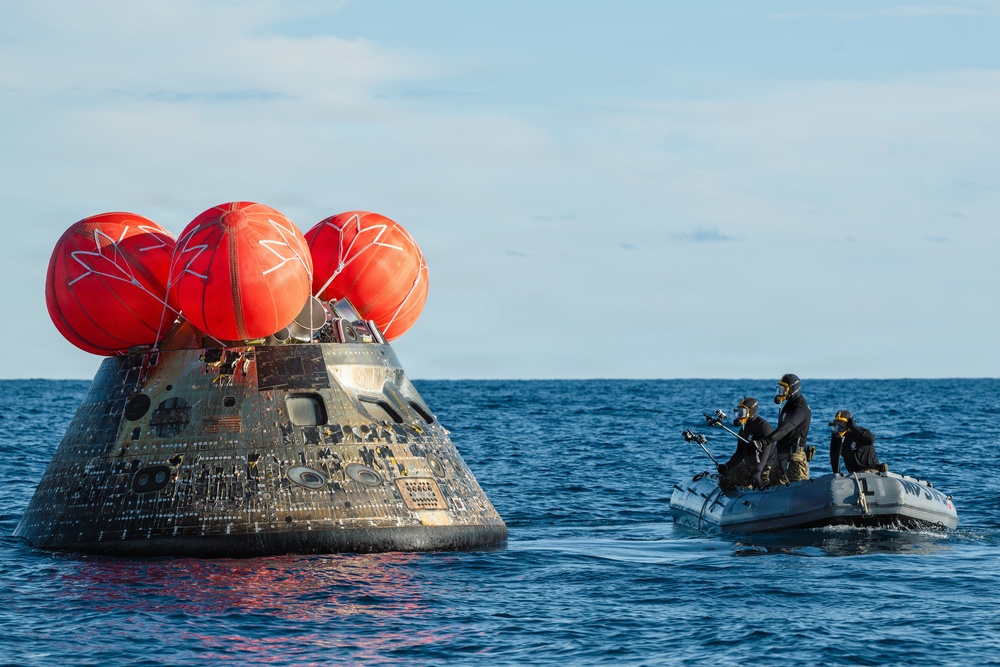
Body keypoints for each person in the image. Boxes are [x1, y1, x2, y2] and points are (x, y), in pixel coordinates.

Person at [753, 373, 812, 484]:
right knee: (775, 483)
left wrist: (763, 442)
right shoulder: (788, 404)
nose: (781, 391)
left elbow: (784, 430)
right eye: (780, 388)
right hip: (781, 453)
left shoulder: (800, 408)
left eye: (784, 389)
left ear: (792, 389)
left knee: (797, 485)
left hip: (795, 456)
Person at [717, 397, 774, 491]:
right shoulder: (743, 429)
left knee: (758, 484)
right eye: (738, 412)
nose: (739, 415)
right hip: (747, 466)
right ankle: (734, 499)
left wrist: (758, 470)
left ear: (751, 412)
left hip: (764, 468)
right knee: (724, 479)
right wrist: (727, 466)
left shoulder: (764, 428)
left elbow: (765, 453)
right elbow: (739, 453)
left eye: (742, 412)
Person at [829, 409, 885, 474]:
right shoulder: (838, 438)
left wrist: (854, 428)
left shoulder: (860, 433)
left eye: (841, 423)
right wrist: (837, 476)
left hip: (871, 471)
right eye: (837, 423)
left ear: (849, 423)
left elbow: (871, 440)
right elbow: (834, 459)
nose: (839, 426)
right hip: (854, 475)